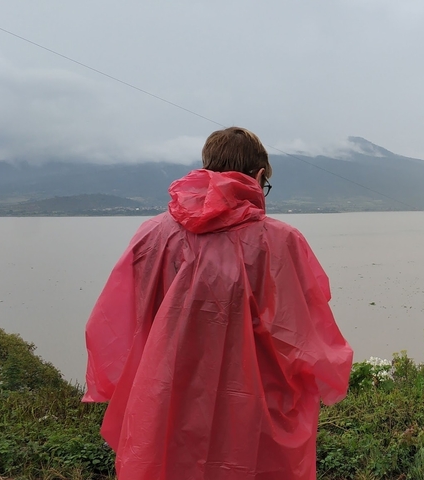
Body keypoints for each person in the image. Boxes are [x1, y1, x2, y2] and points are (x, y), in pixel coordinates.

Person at [83, 127, 353, 480]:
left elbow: (109, 326)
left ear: (207, 169)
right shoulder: (280, 242)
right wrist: (330, 373)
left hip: (165, 403)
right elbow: (306, 338)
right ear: (258, 177)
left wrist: (114, 387)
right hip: (256, 413)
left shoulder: (152, 235)